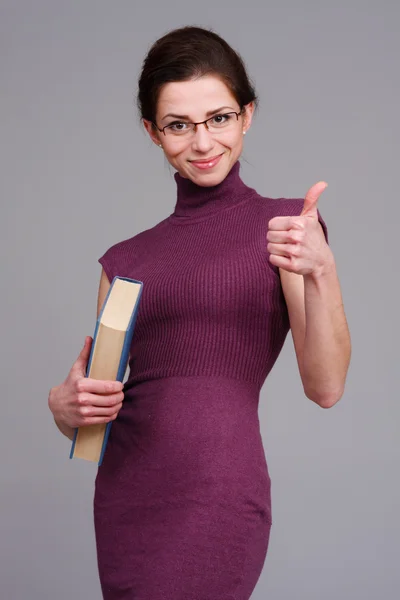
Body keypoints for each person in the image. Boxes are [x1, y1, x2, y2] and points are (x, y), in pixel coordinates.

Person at [48, 25, 351, 600]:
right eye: (179, 125)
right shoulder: (123, 260)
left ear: (247, 115)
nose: (203, 141)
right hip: (128, 495)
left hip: (218, 489)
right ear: (153, 133)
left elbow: (327, 386)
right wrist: (64, 410)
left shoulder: (287, 228)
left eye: (219, 118)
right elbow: (93, 418)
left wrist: (321, 268)